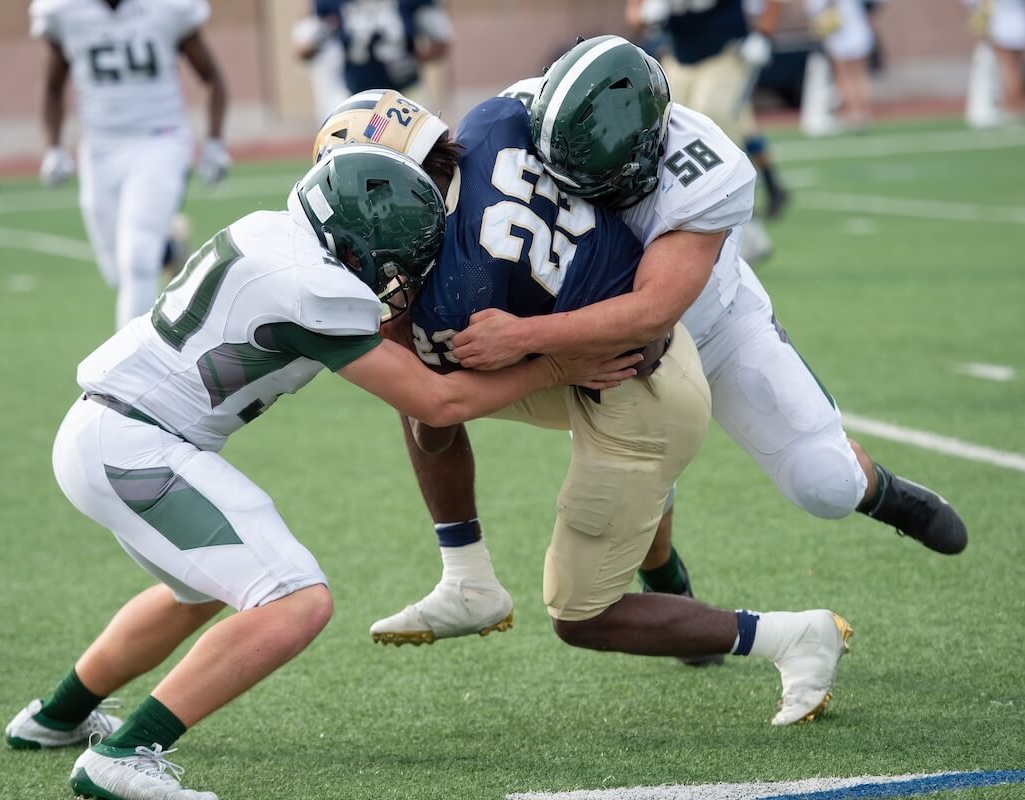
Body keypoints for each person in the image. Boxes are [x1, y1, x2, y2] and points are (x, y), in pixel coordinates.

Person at [3, 144, 641, 800]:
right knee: (296, 599)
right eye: (393, 263)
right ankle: (123, 756)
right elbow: (437, 403)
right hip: (134, 445)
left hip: (101, 430)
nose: (398, 280)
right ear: (354, 246)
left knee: (199, 592)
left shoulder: (268, 230)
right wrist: (556, 365)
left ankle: (56, 717)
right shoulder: (311, 286)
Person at [367, 36, 967, 656]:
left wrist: (523, 336)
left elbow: (652, 312)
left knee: (824, 484)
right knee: (434, 387)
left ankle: (878, 488)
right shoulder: (532, 111)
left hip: (712, 327)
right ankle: (663, 579)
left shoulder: (703, 169)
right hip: (601, 349)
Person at [316, 90, 853, 726]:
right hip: (621, 347)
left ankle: (795, 636)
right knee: (414, 384)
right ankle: (468, 577)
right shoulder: (495, 120)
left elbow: (439, 414)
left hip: (636, 397)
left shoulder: (458, 294)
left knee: (579, 613)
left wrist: (401, 330)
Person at [29, 0, 231, 331]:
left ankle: (132, 357)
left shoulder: (168, 7)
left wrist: (214, 142)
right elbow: (53, 86)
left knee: (137, 260)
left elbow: (211, 77)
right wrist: (53, 147)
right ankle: (169, 250)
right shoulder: (64, 11)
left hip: (160, 140)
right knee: (117, 273)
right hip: (100, 148)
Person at [297, 0, 452, 97]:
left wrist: (414, 59)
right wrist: (320, 35)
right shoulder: (327, 5)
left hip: (406, 90)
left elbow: (441, 42)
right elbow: (303, 50)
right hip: (352, 92)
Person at [804, 0, 874, 130]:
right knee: (858, 75)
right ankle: (863, 112)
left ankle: (854, 113)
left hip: (840, 32)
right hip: (854, 29)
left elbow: (814, 9)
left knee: (844, 76)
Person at [966, 0, 1025, 124]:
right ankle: (1017, 107)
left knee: (1009, 69)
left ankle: (1013, 109)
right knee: (1017, 69)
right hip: (1022, 24)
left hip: (1002, 26)